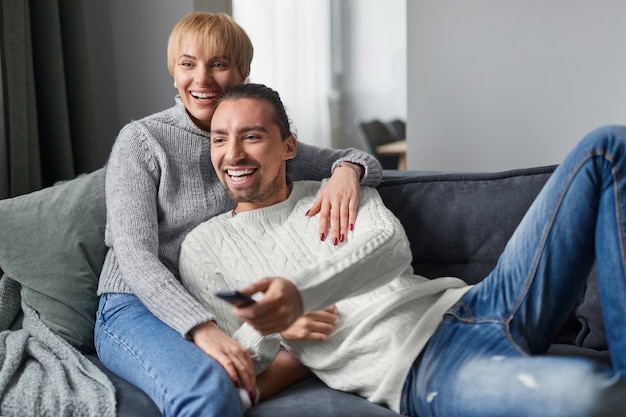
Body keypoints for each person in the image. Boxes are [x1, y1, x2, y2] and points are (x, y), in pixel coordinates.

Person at [179, 82, 626, 417]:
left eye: (252, 136)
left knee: (608, 147)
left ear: (289, 146)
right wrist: (278, 330)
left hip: (478, 303)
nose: (232, 154)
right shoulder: (204, 247)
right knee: (591, 398)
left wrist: (300, 293)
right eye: (220, 138)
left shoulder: (338, 188)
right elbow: (237, 359)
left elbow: (390, 251)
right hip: (424, 366)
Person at [95, 12, 383, 417]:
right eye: (188, 63)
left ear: (242, 72)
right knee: (208, 391)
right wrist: (202, 330)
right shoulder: (143, 141)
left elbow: (357, 158)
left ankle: (254, 389)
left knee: (336, 323)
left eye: (219, 63)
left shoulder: (256, 136)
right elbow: (134, 254)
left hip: (220, 294)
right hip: (136, 302)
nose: (202, 79)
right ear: (173, 72)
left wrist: (347, 173)